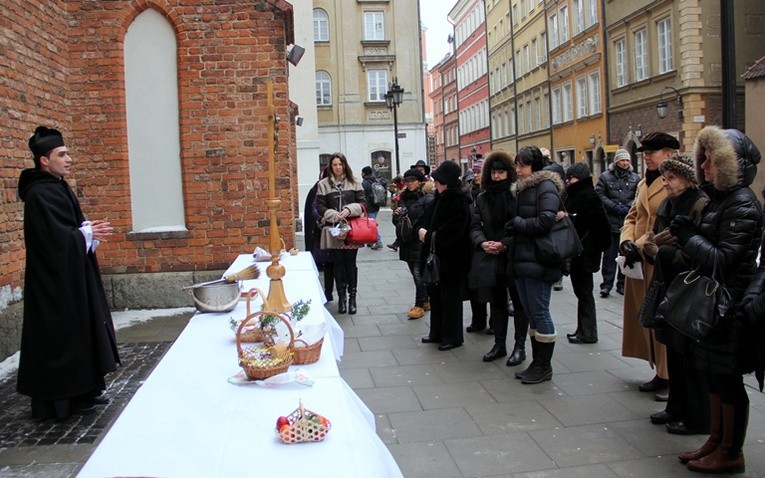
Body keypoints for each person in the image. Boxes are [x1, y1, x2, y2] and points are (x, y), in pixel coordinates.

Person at [673, 126, 763, 474]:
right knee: (713, 375)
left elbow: (723, 261)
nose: (705, 166)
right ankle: (715, 439)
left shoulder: (742, 204)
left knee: (727, 380)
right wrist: (689, 234)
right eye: (703, 159)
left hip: (730, 304)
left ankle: (730, 450)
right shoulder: (718, 201)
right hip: (713, 306)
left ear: (730, 165)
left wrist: (688, 236)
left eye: (711, 160)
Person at [17, 126, 120, 420]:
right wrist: (84, 235)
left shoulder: (58, 186)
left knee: (80, 330)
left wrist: (88, 233)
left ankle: (83, 392)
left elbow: (68, 230)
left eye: (68, 153)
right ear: (44, 161)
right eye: (62, 154)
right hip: (53, 284)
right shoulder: (39, 194)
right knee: (60, 337)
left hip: (72, 276)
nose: (69, 159)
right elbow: (51, 241)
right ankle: (60, 402)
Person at [641, 153, 710, 436]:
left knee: (689, 357)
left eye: (671, 178)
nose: (665, 183)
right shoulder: (670, 203)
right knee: (673, 348)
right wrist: (652, 247)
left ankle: (696, 415)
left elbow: (695, 253)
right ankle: (676, 406)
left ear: (687, 179)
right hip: (668, 283)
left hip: (688, 287)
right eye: (664, 177)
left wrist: (661, 250)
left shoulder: (699, 205)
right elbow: (655, 239)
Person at [620, 131, 679, 394]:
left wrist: (639, 244)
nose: (646, 158)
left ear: (668, 154)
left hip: (657, 257)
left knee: (661, 315)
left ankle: (669, 375)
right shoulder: (645, 183)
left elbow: (664, 225)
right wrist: (625, 239)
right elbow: (632, 215)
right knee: (645, 315)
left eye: (651, 153)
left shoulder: (673, 183)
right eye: (644, 153)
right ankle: (658, 370)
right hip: (638, 260)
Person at [503, 146, 565, 384]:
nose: (518, 170)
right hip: (523, 260)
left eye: (522, 165)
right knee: (530, 313)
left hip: (539, 261)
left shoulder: (545, 186)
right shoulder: (523, 189)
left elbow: (546, 221)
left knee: (540, 312)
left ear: (535, 167)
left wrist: (517, 222)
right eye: (517, 165)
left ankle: (544, 365)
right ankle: (537, 363)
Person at [469, 151, 529, 366]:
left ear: (508, 173)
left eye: (501, 172)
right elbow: (475, 225)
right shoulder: (482, 197)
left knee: (519, 303)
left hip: (513, 255)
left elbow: (520, 224)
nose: (496, 177)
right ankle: (499, 344)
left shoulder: (517, 195)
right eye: (494, 172)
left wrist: (504, 243)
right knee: (497, 302)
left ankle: (519, 346)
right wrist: (482, 242)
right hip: (490, 255)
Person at [418, 160, 471, 351]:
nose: (436, 184)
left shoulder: (458, 201)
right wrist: (422, 229)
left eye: (439, 181)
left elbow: (454, 233)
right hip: (436, 257)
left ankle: (452, 336)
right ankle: (437, 332)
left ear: (447, 182)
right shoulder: (439, 198)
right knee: (436, 295)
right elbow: (427, 219)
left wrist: (429, 235)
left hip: (451, 259)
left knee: (450, 298)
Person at [564, 163, 611, 344]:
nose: (569, 181)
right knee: (581, 291)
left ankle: (588, 332)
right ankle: (583, 328)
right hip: (581, 250)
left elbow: (601, 224)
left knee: (584, 292)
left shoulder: (588, 196)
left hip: (585, 251)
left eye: (572, 178)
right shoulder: (578, 194)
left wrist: (571, 217)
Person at [316, 152, 366, 315]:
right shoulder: (323, 184)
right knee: (338, 264)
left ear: (345, 165)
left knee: (350, 264)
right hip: (334, 229)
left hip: (352, 229)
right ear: (331, 166)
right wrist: (332, 214)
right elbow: (320, 206)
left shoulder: (355, 182)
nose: (337, 167)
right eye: (335, 164)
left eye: (340, 164)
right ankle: (342, 298)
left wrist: (348, 210)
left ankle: (352, 298)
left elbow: (363, 203)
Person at [596, 148, 640, 297]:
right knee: (609, 256)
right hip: (611, 222)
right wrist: (614, 207)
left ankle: (622, 284)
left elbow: (638, 196)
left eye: (627, 160)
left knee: (625, 255)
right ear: (616, 161)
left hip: (626, 223)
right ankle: (606, 285)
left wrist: (629, 207)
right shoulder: (605, 177)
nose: (625, 163)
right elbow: (600, 195)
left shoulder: (635, 178)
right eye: (622, 160)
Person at [392, 168, 434, 319]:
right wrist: (396, 215)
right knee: (415, 273)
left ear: (420, 181)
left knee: (418, 274)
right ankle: (427, 300)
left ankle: (419, 305)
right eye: (407, 181)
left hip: (419, 241)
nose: (409, 184)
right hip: (406, 241)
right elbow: (395, 221)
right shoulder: (403, 197)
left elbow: (428, 219)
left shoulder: (427, 198)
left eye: (412, 181)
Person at [305, 167, 335, 301]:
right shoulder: (317, 189)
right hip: (321, 232)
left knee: (334, 263)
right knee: (328, 262)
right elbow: (314, 209)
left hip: (333, 231)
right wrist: (322, 219)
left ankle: (336, 293)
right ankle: (328, 293)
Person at [361, 166, 384, 250]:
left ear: (364, 173)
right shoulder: (375, 180)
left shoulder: (365, 182)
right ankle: (370, 241)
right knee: (370, 224)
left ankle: (378, 242)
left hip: (369, 207)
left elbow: (363, 196)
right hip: (376, 205)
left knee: (372, 224)